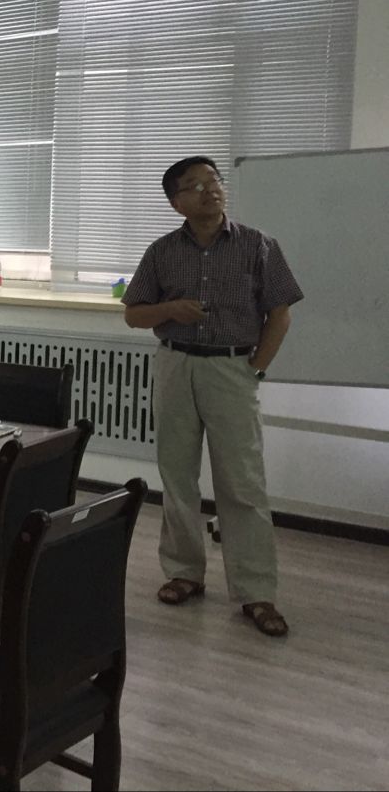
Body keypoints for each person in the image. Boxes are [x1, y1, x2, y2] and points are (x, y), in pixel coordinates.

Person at [123, 156, 303, 639]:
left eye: (214, 181)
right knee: (177, 474)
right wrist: (170, 309)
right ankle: (184, 572)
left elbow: (280, 314)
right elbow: (134, 314)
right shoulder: (162, 251)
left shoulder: (258, 245)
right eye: (196, 185)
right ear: (176, 202)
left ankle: (255, 590)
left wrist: (255, 368)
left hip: (232, 367)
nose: (211, 190)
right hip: (175, 365)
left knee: (242, 482)